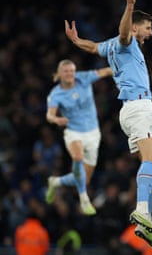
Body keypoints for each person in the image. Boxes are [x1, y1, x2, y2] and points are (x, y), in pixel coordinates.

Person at [65, 0, 152, 250]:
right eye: (147, 27)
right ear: (135, 27)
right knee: (150, 162)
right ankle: (142, 212)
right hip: (138, 107)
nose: (150, 33)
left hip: (135, 109)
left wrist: (77, 42)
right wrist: (130, 5)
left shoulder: (110, 45)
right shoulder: (126, 40)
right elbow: (124, 33)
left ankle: (146, 218)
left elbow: (93, 47)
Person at [45, 59, 113, 216]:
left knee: (83, 179)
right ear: (59, 74)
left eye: (71, 71)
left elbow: (105, 71)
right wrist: (56, 119)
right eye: (66, 71)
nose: (69, 74)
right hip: (73, 132)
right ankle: (84, 198)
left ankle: (55, 182)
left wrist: (124, 67)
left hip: (93, 133)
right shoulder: (56, 94)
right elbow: (50, 114)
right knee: (77, 156)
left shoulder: (84, 78)